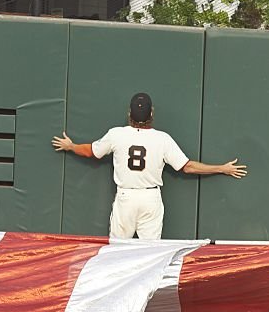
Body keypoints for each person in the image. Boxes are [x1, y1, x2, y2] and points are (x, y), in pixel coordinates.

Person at [51, 92, 247, 240]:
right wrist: (222, 168)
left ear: (129, 114)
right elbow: (187, 167)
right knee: (149, 256)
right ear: (152, 113)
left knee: (117, 253)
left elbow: (92, 152)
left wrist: (71, 146)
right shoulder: (162, 139)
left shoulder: (117, 134)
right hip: (150, 198)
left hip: (125, 197)